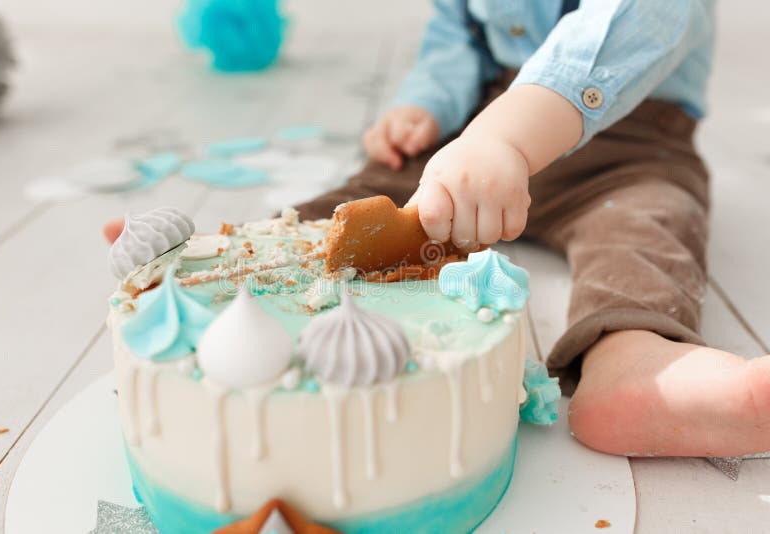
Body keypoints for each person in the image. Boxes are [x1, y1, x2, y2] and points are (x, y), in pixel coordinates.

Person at [105, 0, 769, 458]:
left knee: (647, 222)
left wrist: (508, 136)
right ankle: (243, 266)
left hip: (630, 140)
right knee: (367, 197)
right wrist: (424, 106)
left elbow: (638, 18)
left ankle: (634, 363)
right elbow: (456, 37)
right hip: (474, 138)